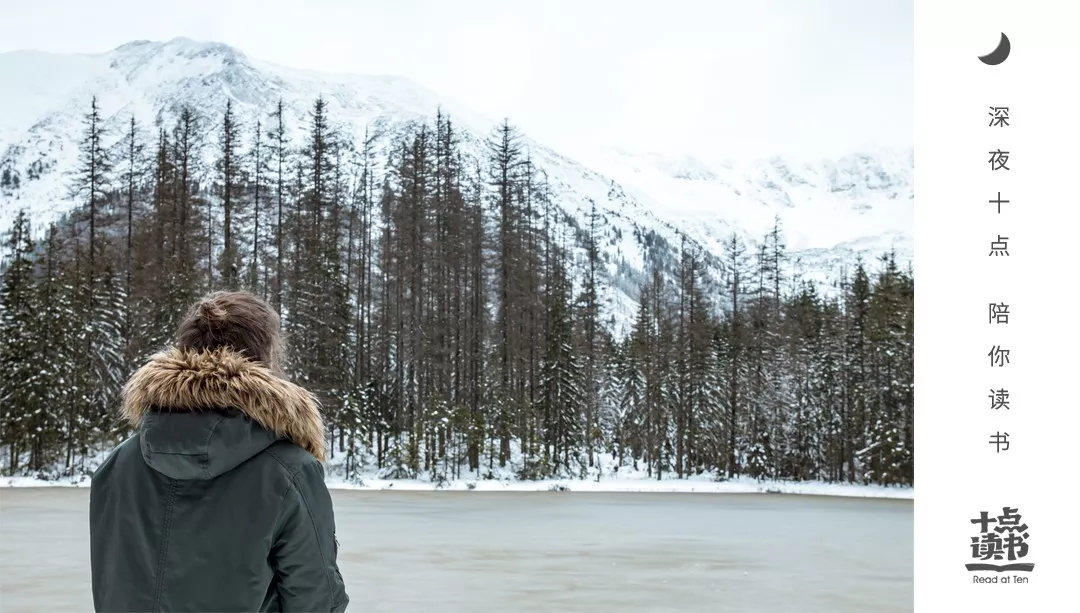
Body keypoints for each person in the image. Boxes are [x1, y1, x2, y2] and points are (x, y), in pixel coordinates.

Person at [89, 291, 350, 612]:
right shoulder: (288, 471)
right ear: (265, 357)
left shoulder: (118, 464)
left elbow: (110, 585)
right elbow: (317, 602)